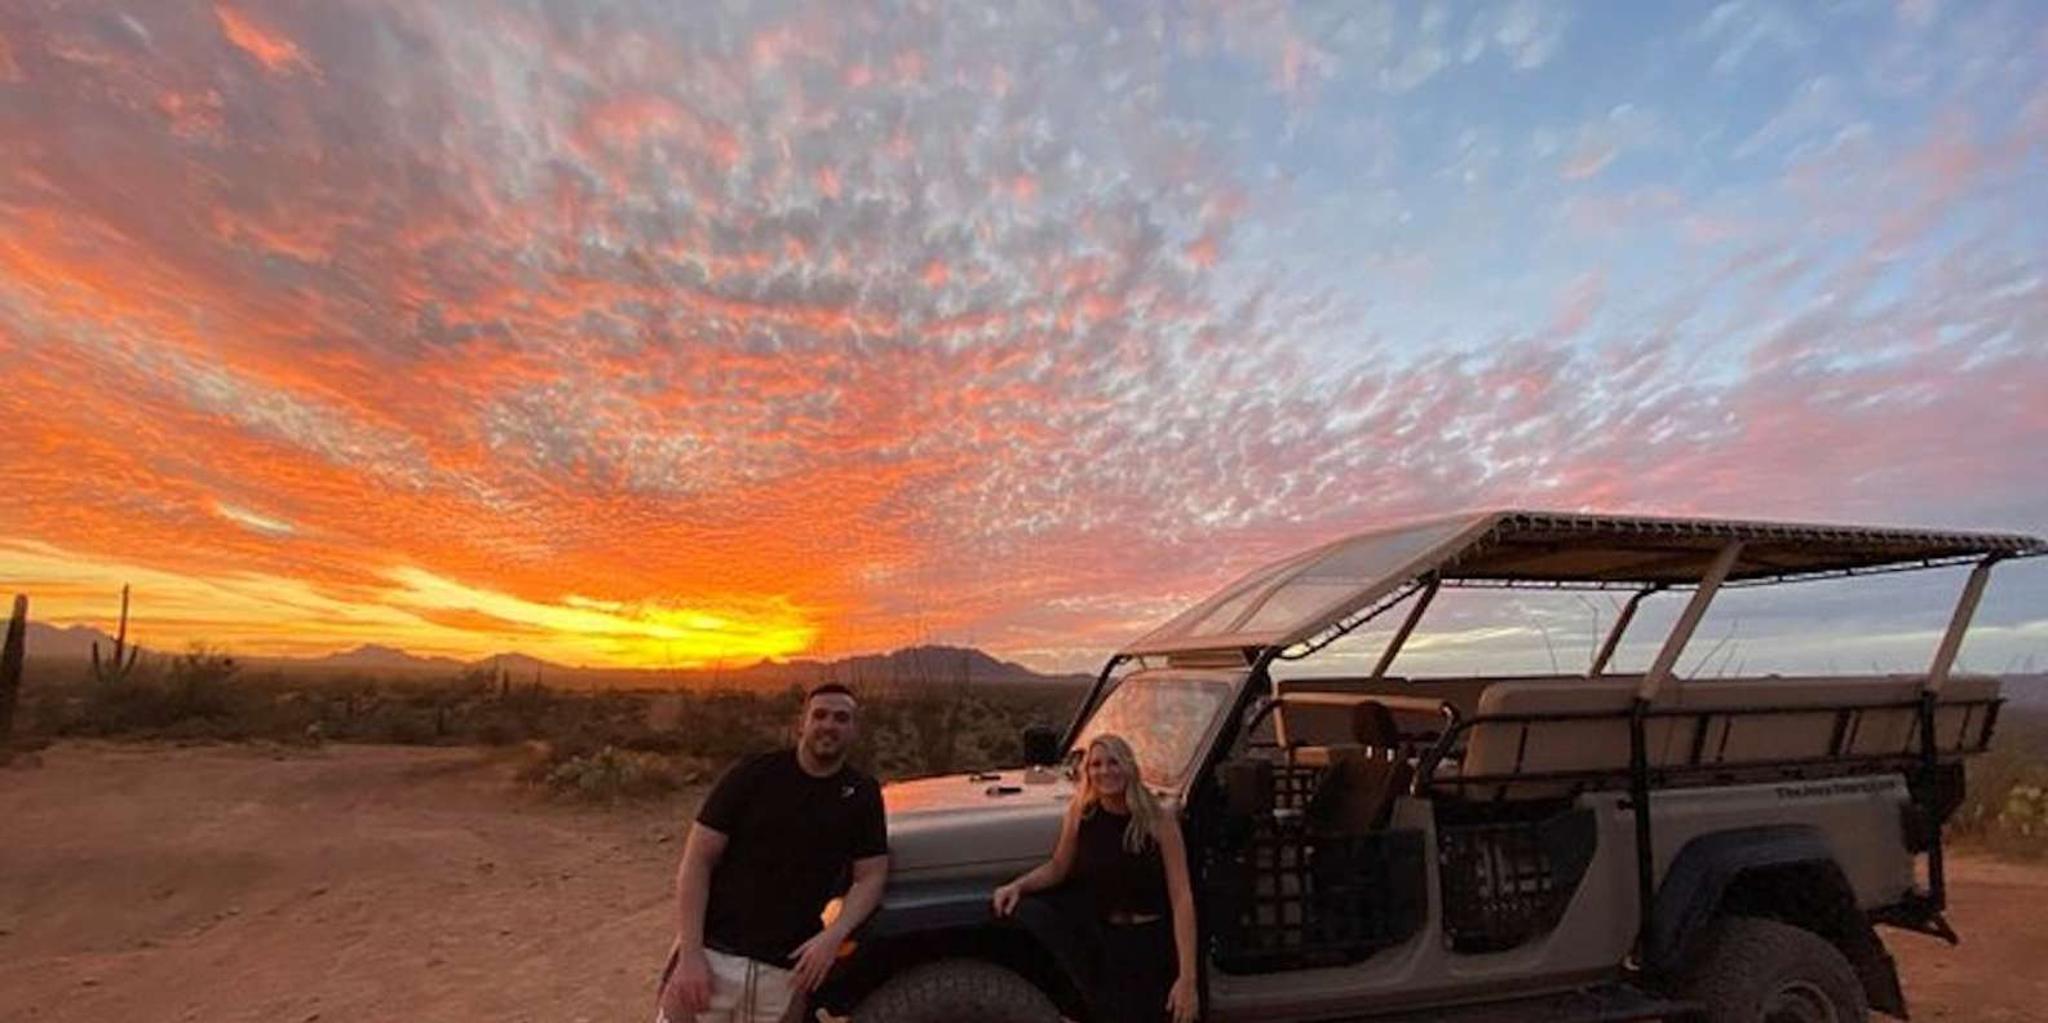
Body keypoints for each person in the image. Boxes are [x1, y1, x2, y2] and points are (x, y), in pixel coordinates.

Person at [655, 683, 889, 1023]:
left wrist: (834, 935)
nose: (829, 725)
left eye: (842, 718)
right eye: (820, 715)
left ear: (854, 730)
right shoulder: (753, 775)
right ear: (802, 724)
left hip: (785, 970)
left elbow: (871, 875)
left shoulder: (862, 794)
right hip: (713, 956)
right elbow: (697, 862)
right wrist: (690, 955)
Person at [991, 733, 1199, 1023]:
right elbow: (1058, 868)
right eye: (1096, 764)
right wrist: (1017, 886)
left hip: (1153, 946)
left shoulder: (1158, 819)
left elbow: (1181, 897)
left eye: (1113, 762)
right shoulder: (1081, 814)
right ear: (1086, 770)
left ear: (1129, 766)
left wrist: (1187, 979)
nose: (1105, 771)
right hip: (1107, 946)